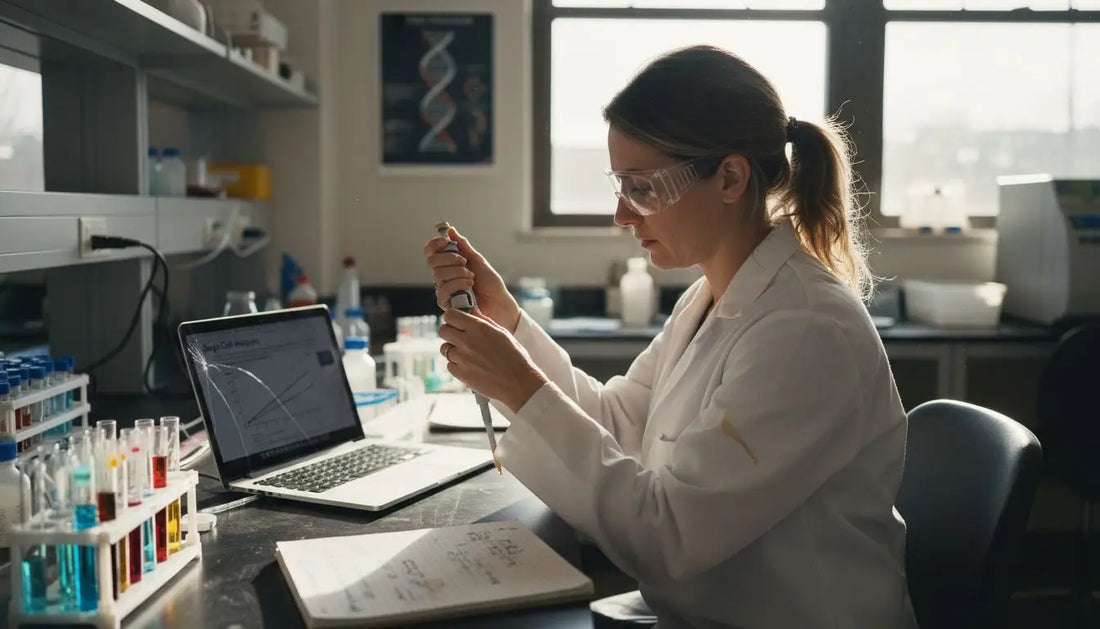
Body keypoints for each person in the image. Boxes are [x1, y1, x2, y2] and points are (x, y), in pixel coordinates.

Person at [424, 45, 917, 628]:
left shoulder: (807, 330)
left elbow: (667, 537)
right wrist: (507, 321)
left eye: (643, 187)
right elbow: (618, 423)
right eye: (620, 185)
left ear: (730, 177)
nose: (622, 215)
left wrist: (519, 385)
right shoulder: (712, 296)